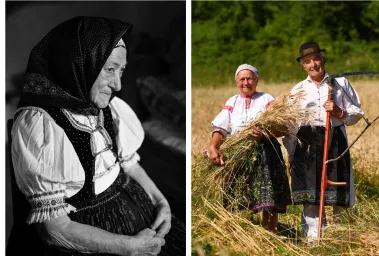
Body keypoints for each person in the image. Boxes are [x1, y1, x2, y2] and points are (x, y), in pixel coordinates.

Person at [9, 16, 184, 255]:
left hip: (139, 210)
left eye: (122, 70)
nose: (118, 85)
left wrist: (160, 203)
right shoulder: (39, 125)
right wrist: (130, 247)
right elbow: (54, 229)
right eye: (110, 69)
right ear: (78, 63)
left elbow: (129, 166)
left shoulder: (108, 108)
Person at [283, 42, 364, 239]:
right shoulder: (298, 90)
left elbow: (357, 112)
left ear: (322, 58)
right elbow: (290, 125)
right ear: (303, 66)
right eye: (307, 62)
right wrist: (292, 154)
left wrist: (339, 111)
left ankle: (339, 241)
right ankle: (315, 242)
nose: (313, 65)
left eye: (316, 59)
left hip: (334, 140)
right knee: (310, 197)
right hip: (307, 145)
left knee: (338, 193)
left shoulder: (340, 83)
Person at [207, 64, 290, 233]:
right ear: (237, 81)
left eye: (249, 78)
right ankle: (242, 233)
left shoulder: (267, 99)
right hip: (239, 152)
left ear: (256, 80)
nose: (246, 82)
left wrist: (264, 133)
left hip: (266, 152)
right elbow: (221, 129)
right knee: (237, 191)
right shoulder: (232, 102)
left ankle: (270, 232)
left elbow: (283, 127)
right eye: (242, 79)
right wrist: (213, 146)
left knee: (268, 192)